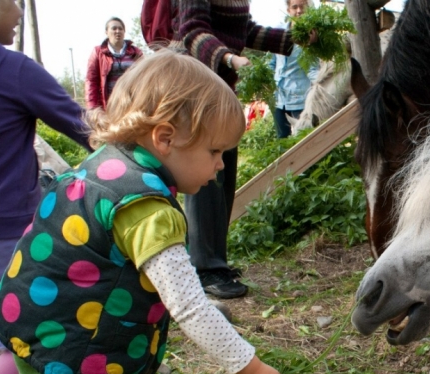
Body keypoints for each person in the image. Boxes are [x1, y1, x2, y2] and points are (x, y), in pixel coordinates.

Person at [0, 50, 290, 374]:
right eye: (215, 152)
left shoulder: (112, 163)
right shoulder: (147, 209)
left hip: (60, 324)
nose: (219, 166)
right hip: (62, 344)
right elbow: (189, 304)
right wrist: (249, 367)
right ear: (166, 138)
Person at [0, 0, 90, 374]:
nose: (19, 12)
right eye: (12, 3)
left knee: (3, 316)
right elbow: (83, 125)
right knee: (25, 332)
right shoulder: (11, 69)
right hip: (4, 231)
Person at [173, 0, 317, 299]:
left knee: (223, 174)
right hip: (198, 88)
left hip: (221, 88)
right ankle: (205, 268)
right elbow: (192, 31)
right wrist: (229, 58)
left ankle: (216, 260)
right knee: (205, 177)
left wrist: (294, 38)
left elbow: (246, 30)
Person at [269, 0, 319, 138]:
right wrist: (267, 82)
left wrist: (310, 47)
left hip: (300, 99)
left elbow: (313, 69)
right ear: (288, 10)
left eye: (302, 7)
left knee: (302, 140)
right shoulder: (279, 32)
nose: (298, 11)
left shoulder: (312, 35)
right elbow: (272, 63)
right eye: (294, 7)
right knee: (281, 140)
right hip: (279, 98)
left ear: (308, 9)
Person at [85, 17, 143, 110]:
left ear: (124, 32)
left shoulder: (136, 52)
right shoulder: (98, 52)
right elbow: (91, 81)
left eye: (121, 29)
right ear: (106, 32)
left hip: (132, 105)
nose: (117, 31)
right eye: (114, 28)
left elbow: (144, 78)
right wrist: (92, 108)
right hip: (109, 106)